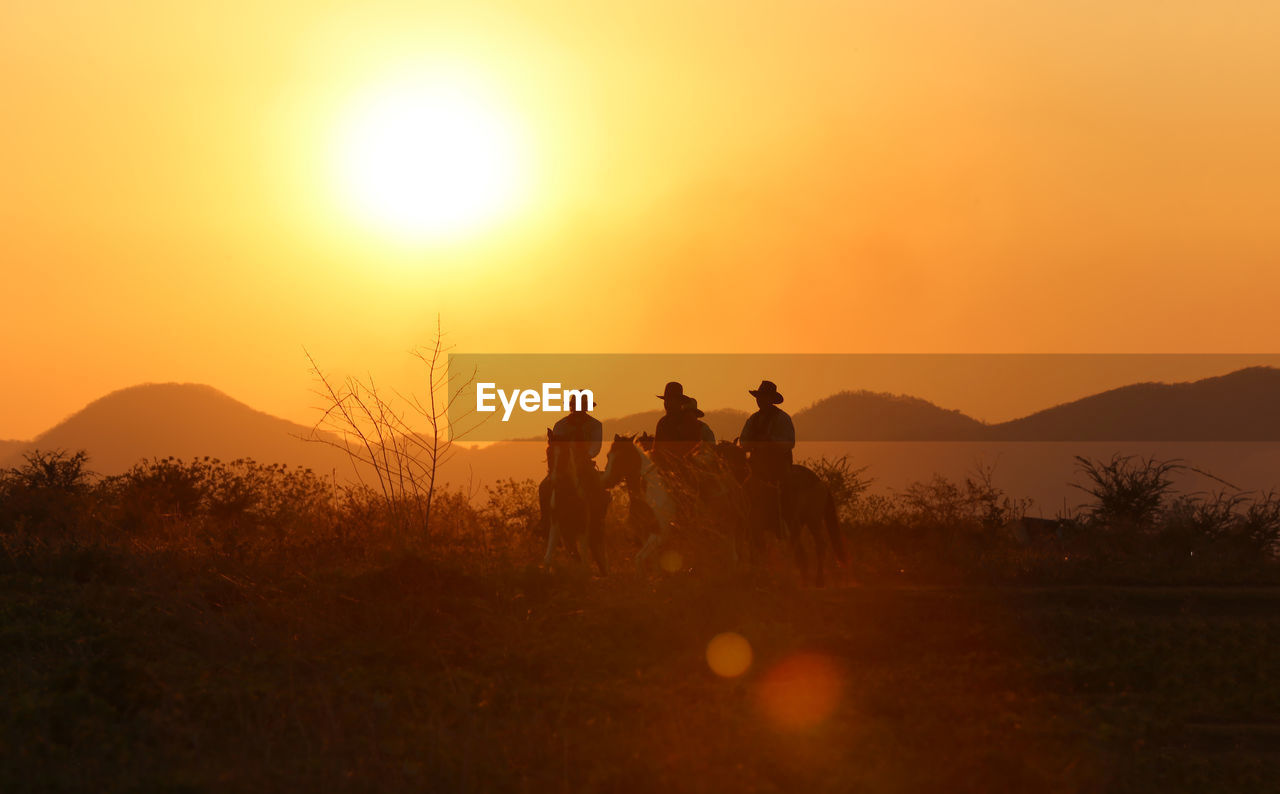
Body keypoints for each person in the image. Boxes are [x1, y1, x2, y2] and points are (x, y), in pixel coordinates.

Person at [545, 391, 609, 539]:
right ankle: (546, 523)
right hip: (563, 466)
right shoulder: (560, 425)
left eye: (582, 406)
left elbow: (596, 447)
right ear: (572, 407)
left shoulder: (595, 425)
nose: (578, 410)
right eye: (576, 406)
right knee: (545, 488)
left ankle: (598, 521)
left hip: (584, 464)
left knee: (601, 491)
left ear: (586, 408)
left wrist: (585, 455)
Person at [739, 380, 795, 538]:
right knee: (741, 491)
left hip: (778, 466)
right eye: (759, 397)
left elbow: (789, 442)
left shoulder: (782, 418)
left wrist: (770, 443)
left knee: (782, 493)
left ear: (771, 399)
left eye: (764, 397)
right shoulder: (753, 419)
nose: (760, 400)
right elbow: (743, 441)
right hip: (756, 467)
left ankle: (786, 524)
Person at [652, 381, 701, 467]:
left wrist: (677, 458)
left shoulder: (689, 420)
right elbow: (656, 449)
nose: (667, 403)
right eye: (666, 400)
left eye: (671, 400)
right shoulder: (662, 422)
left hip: (688, 466)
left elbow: (695, 445)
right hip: (666, 466)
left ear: (679, 402)